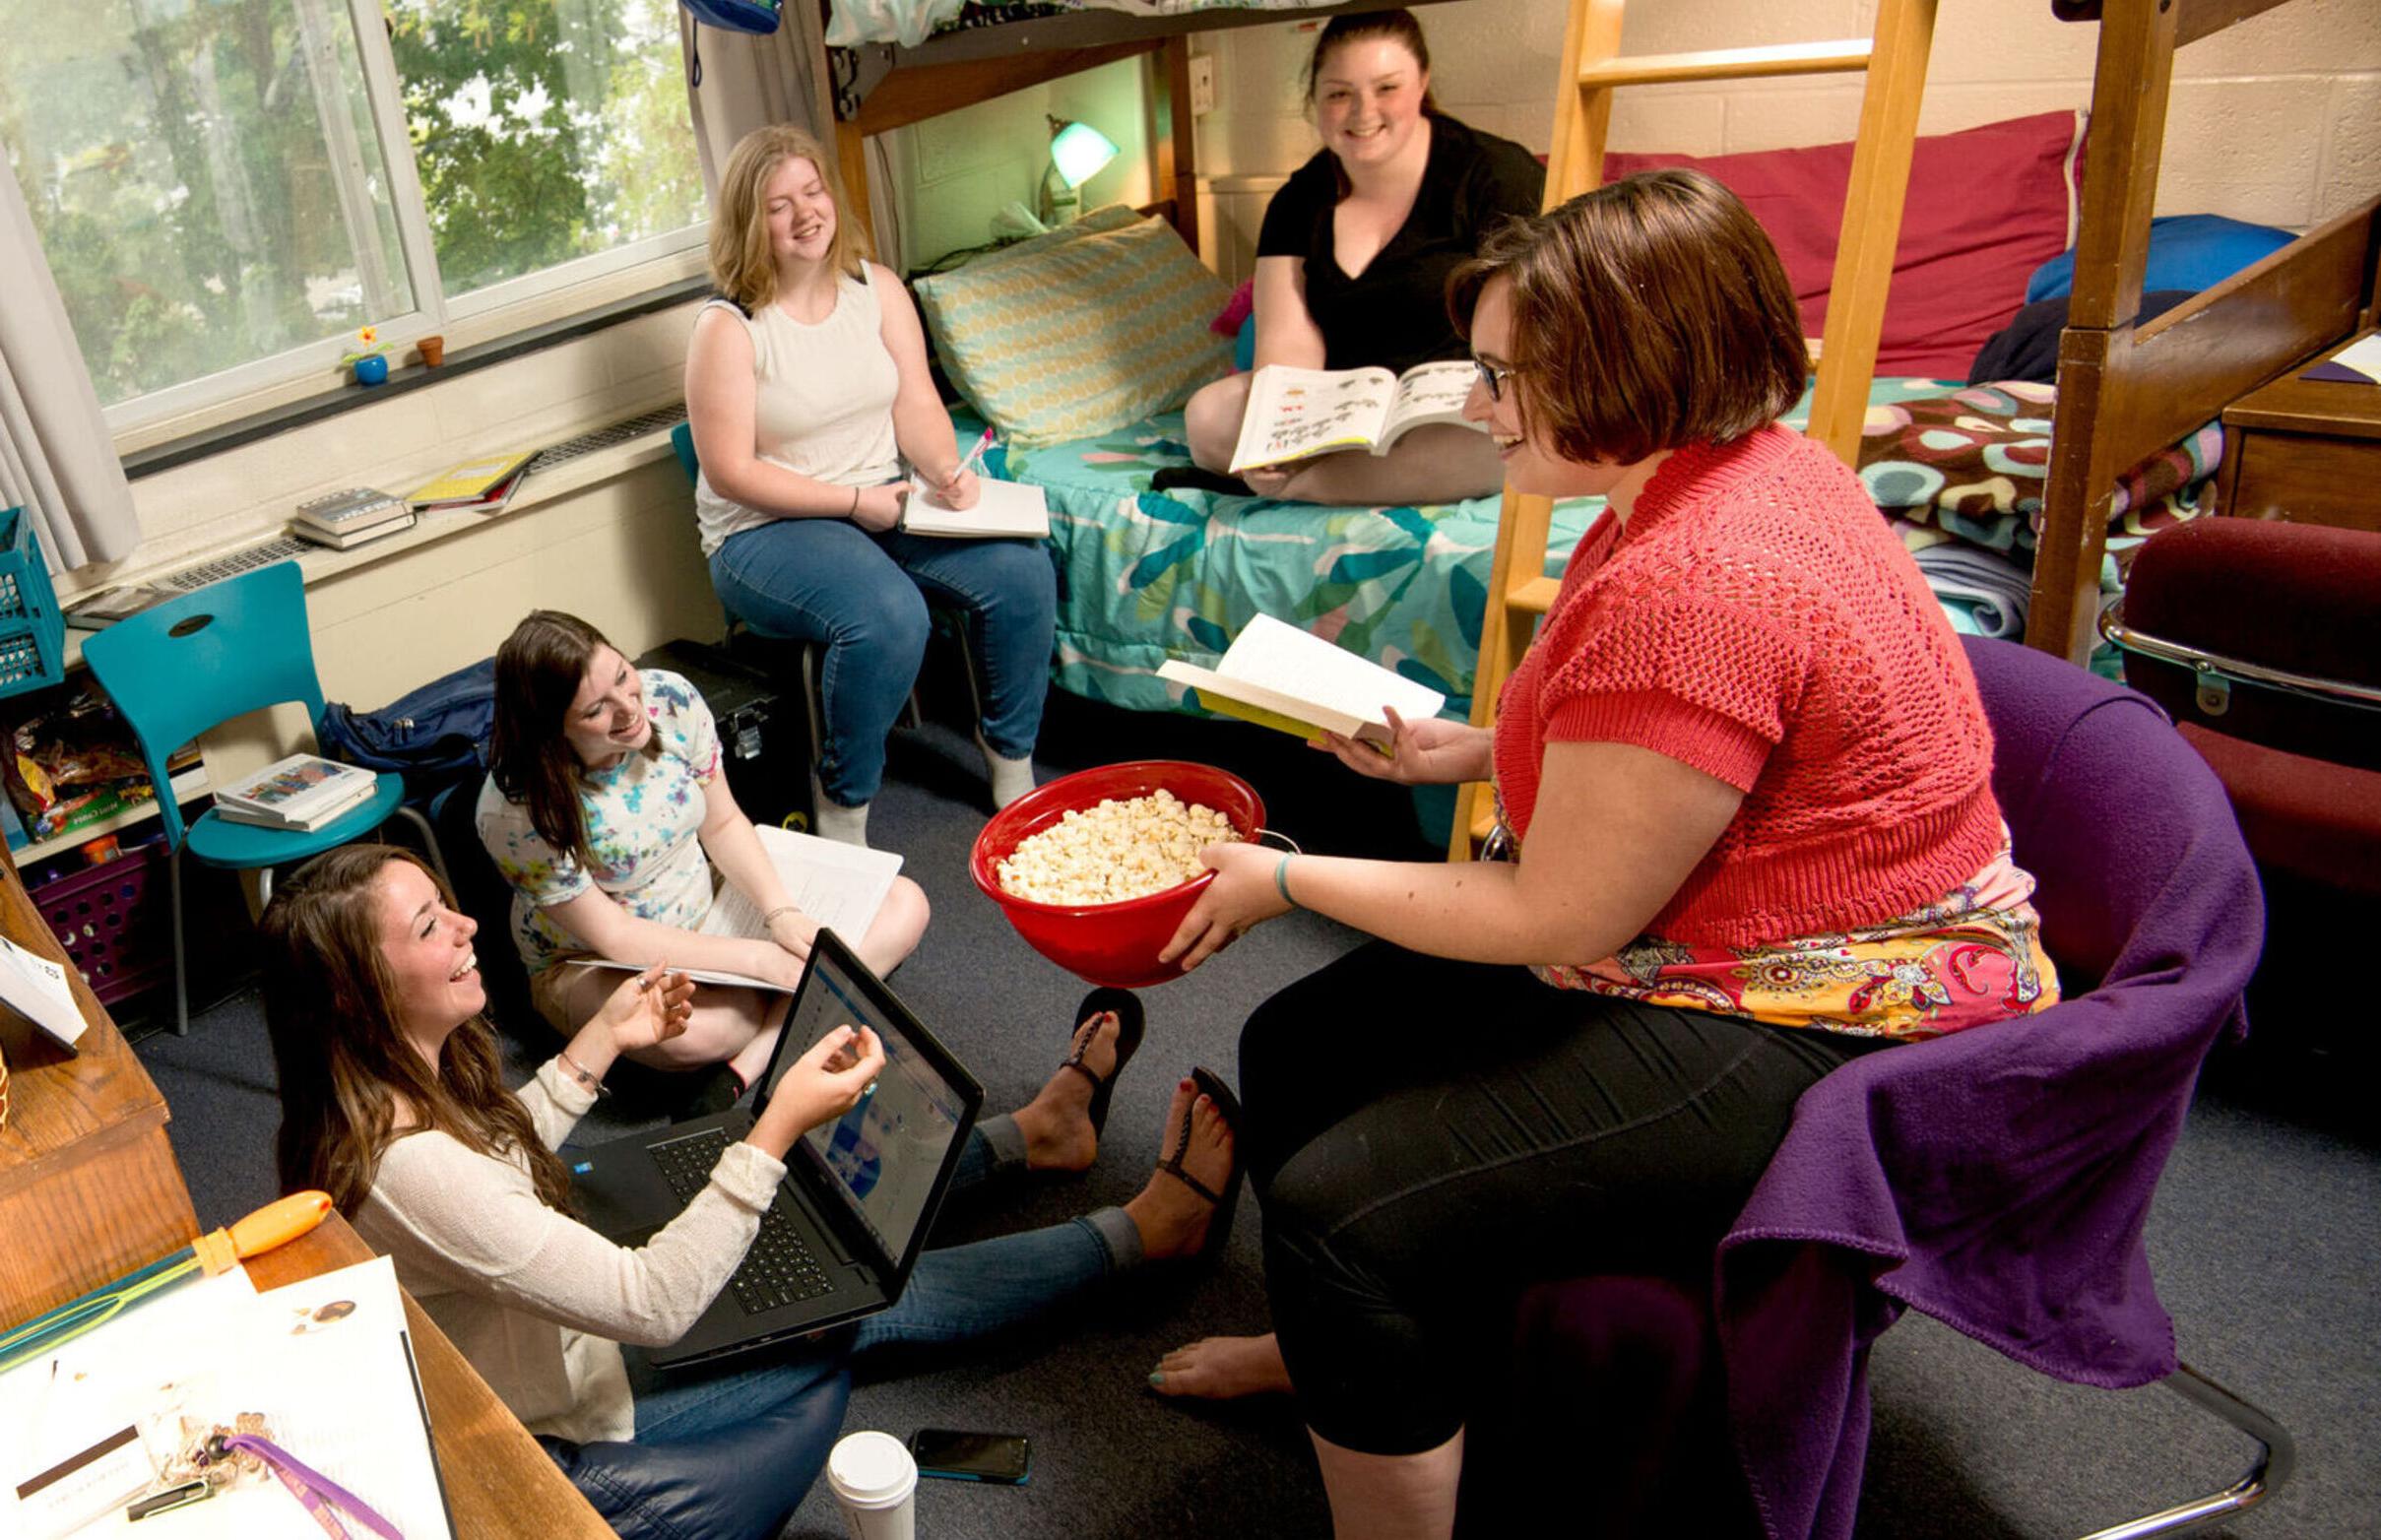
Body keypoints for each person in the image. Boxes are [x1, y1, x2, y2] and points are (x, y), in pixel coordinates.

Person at [1156, 170, 2062, 1539]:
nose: (1474, 406)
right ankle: (1349, 1359)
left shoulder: (1697, 586)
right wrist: (1474, 747)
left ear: (1634, 372)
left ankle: (1373, 1407)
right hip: (1742, 908)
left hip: (1835, 1009)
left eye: (1502, 377)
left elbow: (1556, 907)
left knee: (1345, 1211)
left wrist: (1282, 876)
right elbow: (1679, 757)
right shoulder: (1721, 477)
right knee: (1294, 1049)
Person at [260, 843, 1239, 1540]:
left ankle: (1037, 1133)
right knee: (851, 1291)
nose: (469, 924)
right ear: (356, 989)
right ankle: (1143, 1233)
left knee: (818, 1196)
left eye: (446, 903)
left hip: (561, 1337)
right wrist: (772, 1127)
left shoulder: (378, 1098)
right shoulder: (409, 1164)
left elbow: (495, 1165)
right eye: (432, 924)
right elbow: (651, 1300)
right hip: (573, 1407)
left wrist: (603, 1040)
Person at [685, 122, 1059, 846]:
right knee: (890, 618)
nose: (804, 214)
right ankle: (843, 804)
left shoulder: (876, 287)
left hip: (885, 499)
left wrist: (942, 468)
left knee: (1022, 573)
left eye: (812, 191)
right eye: (777, 205)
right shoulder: (727, 327)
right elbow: (733, 473)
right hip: (765, 529)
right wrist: (856, 505)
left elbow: (915, 401)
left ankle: (1012, 764)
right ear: (748, 222)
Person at [476, 609, 930, 1093]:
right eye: (595, 711)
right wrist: (760, 961)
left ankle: (750, 1064)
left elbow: (724, 822)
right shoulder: (514, 812)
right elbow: (615, 936)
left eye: (624, 676)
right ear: (553, 730)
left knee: (905, 905)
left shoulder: (669, 698)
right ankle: (792, 1012)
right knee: (708, 1030)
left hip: (706, 898)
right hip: (593, 958)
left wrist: (780, 914)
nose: (630, 709)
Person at [1178, 8, 1542, 505]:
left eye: (1386, 88)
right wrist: (1278, 437)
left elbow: (1527, 333)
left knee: (1499, 443)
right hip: (1344, 409)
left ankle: (1302, 488)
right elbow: (1286, 342)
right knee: (1209, 418)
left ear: (1422, 84)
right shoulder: (1296, 200)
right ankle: (1339, 475)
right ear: (1315, 100)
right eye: (1339, 93)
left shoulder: (1497, 175)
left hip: (1462, 403)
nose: (1362, 111)